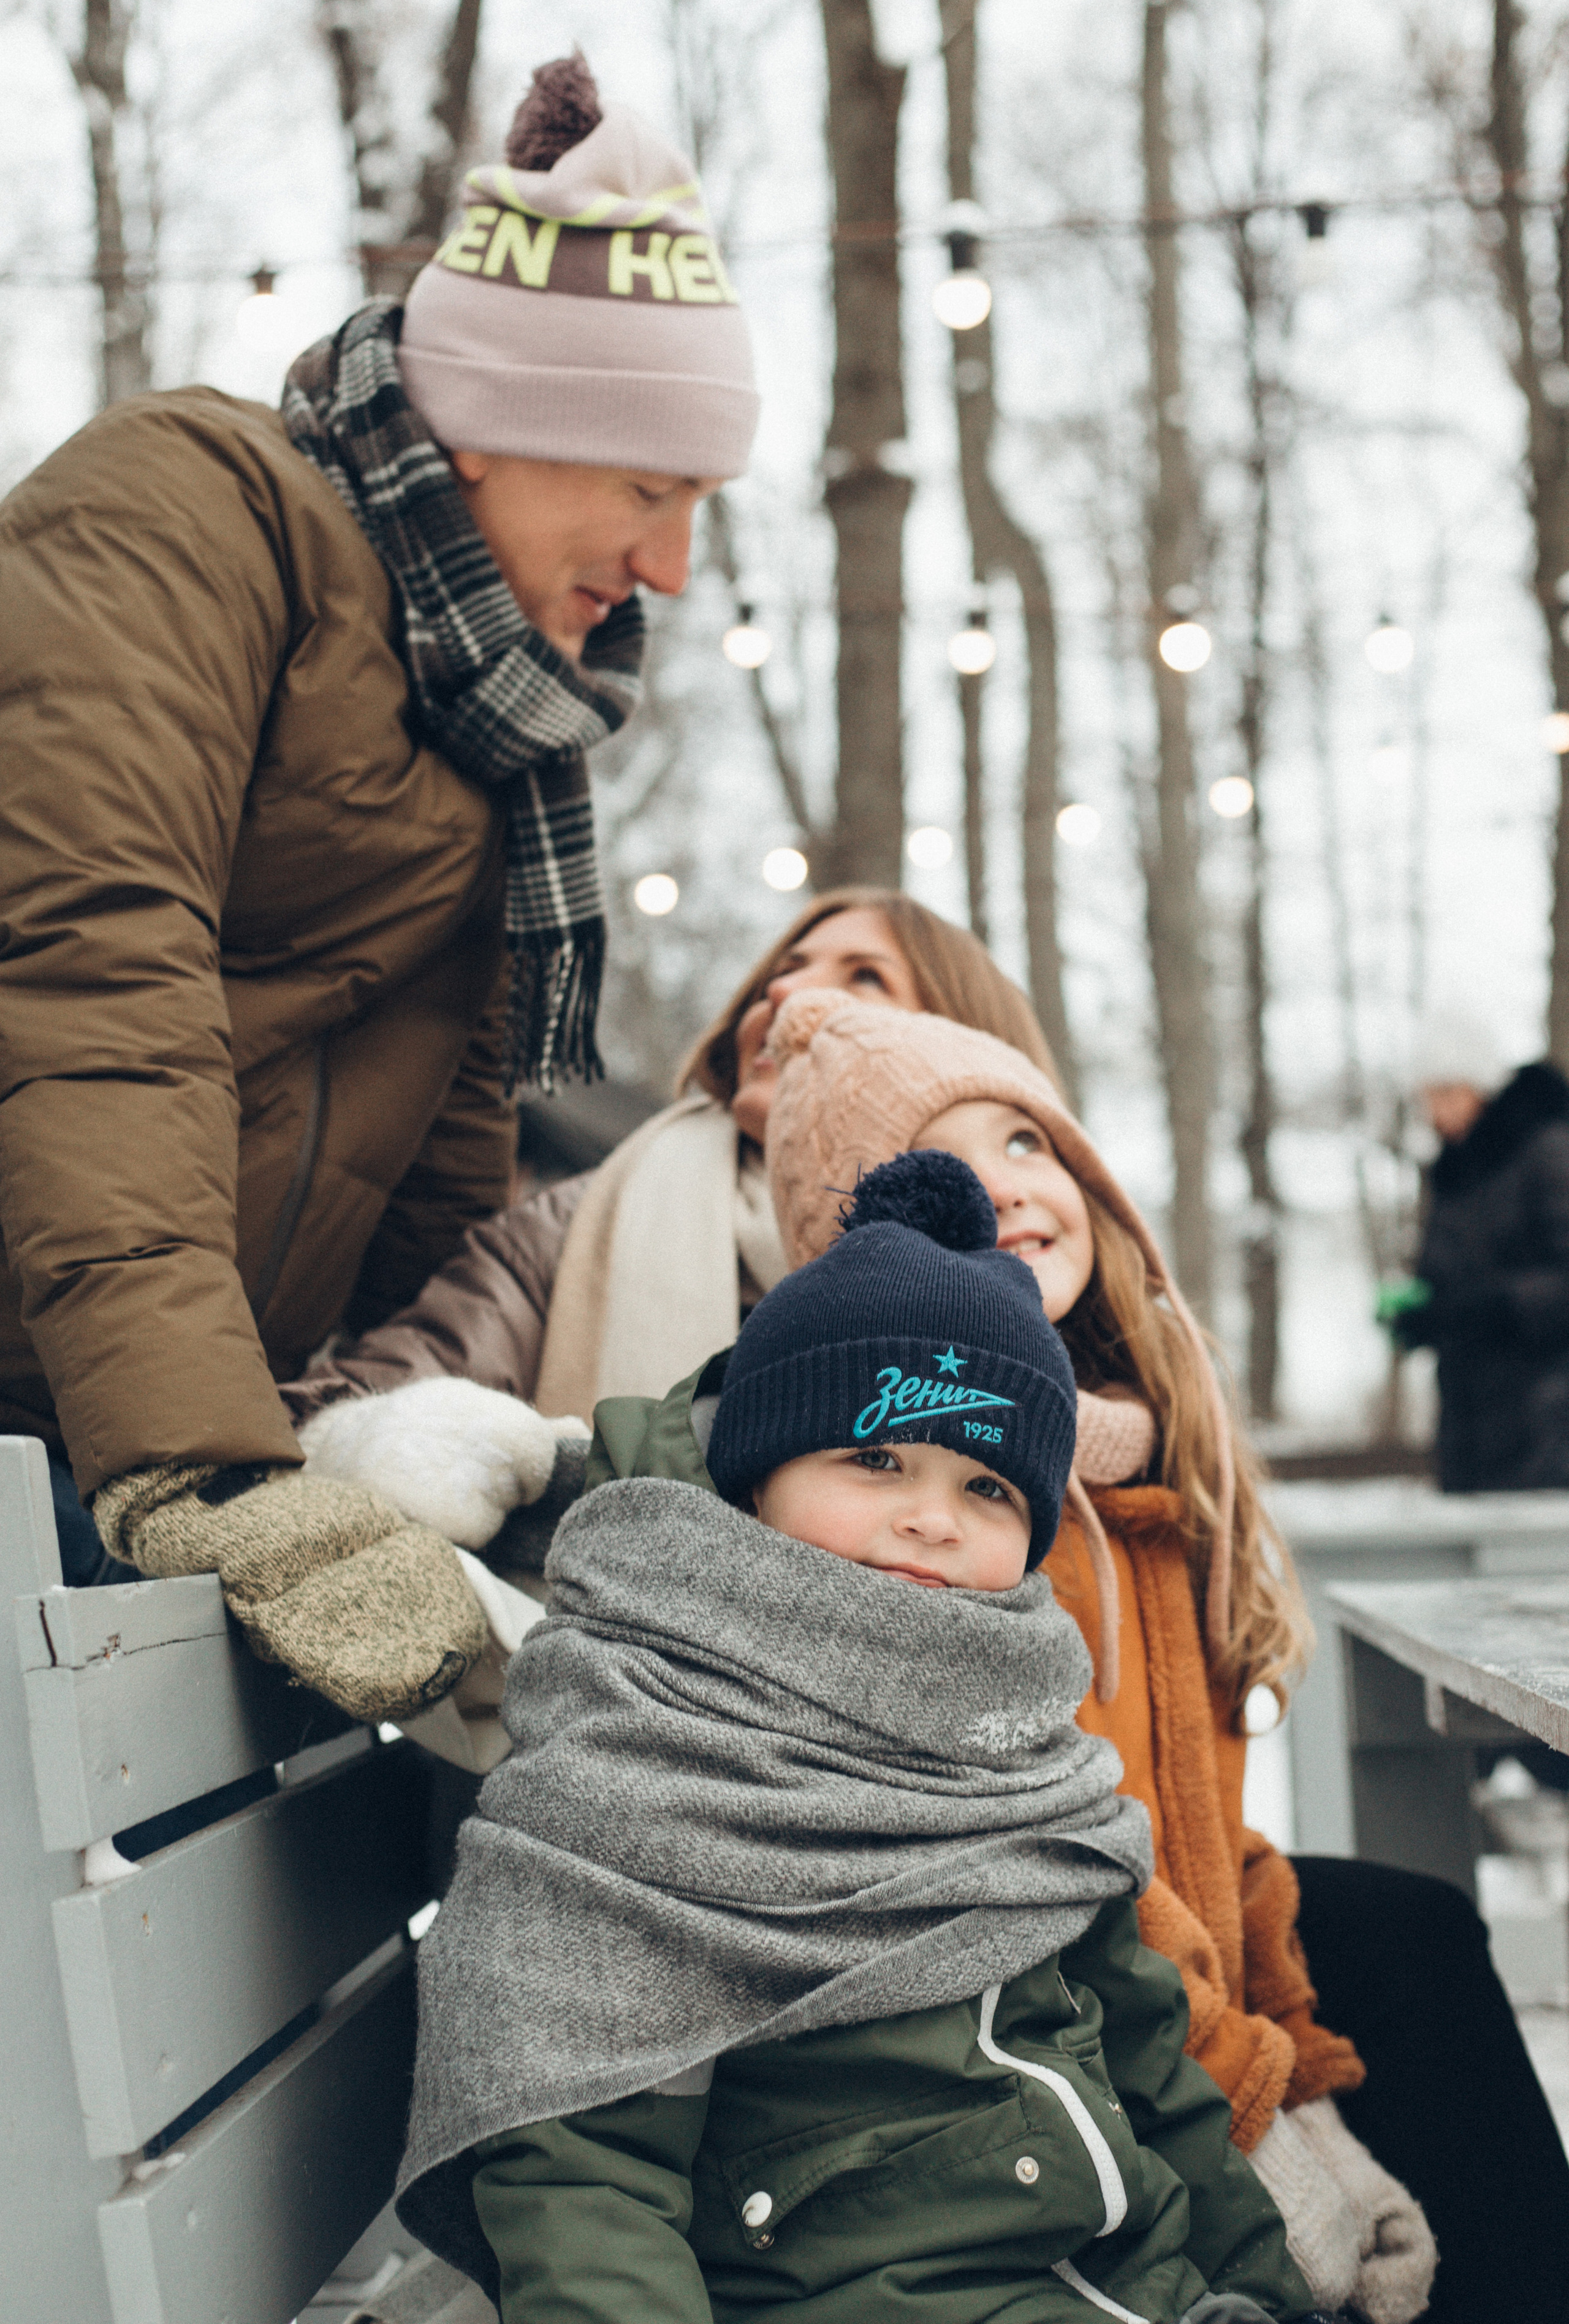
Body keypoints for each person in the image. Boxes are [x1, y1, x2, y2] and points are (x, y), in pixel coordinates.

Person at [0, 55, 756, 1723]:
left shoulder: (496, 732)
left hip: (126, 1424)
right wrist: (208, 1471)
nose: (673, 572)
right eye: (649, 490)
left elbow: (446, 1189)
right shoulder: (182, 516)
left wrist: (410, 1444)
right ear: (490, 430)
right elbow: (90, 981)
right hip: (96, 1435)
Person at [394, 1154, 1326, 2324]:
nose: (930, 1517)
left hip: (1131, 2282)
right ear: (757, 1479)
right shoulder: (653, 1758)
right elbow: (589, 2178)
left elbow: (1147, 2062)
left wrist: (1262, 2287)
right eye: (876, 1459)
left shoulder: (1013, 1742)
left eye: (988, 1487)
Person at [763, 987, 1568, 2324]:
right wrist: (1254, 2097)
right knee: (1392, 1959)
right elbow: (1068, 1870)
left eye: (1027, 1143)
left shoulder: (1133, 1477)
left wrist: (1288, 2052)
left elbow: (1204, 1827)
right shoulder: (936, 1522)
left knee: (1407, 1930)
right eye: (947, 1161)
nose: (1008, 1187)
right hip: (1039, 2015)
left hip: (1174, 1970)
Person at [283, 891, 1062, 1541]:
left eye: (863, 979)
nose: (784, 997)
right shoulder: (583, 1219)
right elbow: (364, 1404)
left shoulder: (1032, 1243)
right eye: (778, 977)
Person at [1387, 1013, 1569, 1493]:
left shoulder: (1549, 1152)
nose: (1437, 1112)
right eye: (1429, 1098)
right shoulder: (1453, 1171)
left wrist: (1490, 1308)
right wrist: (1422, 1313)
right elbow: (1446, 1275)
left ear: (1482, 1089)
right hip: (1470, 1416)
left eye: (1447, 1094)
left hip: (1545, 1412)